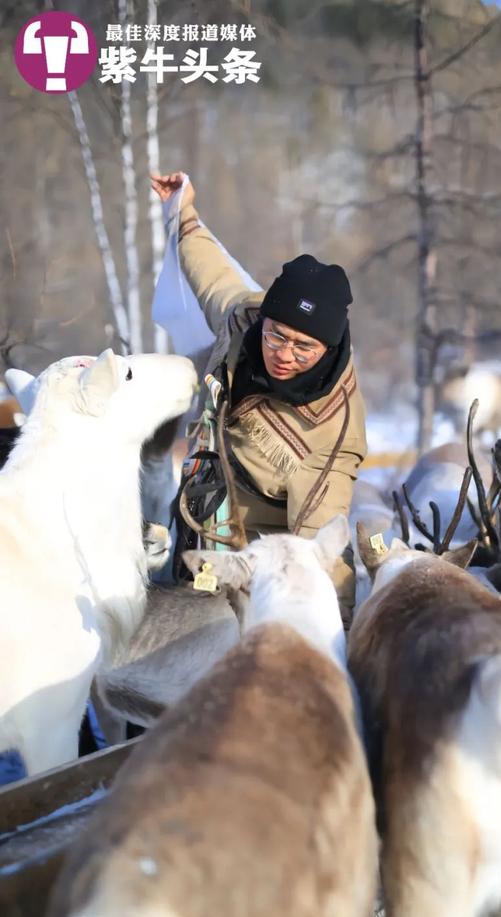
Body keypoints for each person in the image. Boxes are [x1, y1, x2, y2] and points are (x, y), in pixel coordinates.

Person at [150, 171, 367, 627]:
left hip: (257, 560)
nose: (283, 354)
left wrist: (337, 631)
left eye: (303, 347)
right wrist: (182, 209)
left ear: (327, 348)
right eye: (277, 335)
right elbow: (210, 273)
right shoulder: (244, 322)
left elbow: (320, 548)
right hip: (200, 513)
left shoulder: (332, 432)